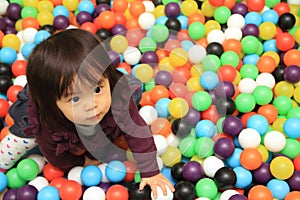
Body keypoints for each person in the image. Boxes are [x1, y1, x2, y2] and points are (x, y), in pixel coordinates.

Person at [0, 28, 175, 197]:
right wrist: (82, 162)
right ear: (55, 105)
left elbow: (138, 133)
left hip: (106, 107)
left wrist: (150, 171)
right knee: (22, 137)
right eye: (74, 99)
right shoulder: (48, 124)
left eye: (97, 89)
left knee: (133, 95)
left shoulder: (117, 98)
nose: (91, 105)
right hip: (47, 113)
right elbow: (55, 157)